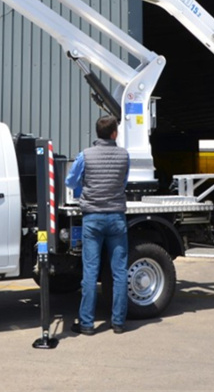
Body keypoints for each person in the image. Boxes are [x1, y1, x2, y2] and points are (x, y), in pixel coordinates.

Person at [65, 115, 130, 335]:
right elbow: (123, 181)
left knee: (90, 272)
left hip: (92, 218)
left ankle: (86, 324)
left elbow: (70, 181)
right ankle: (119, 322)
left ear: (97, 133)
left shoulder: (85, 155)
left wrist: (83, 188)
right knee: (120, 272)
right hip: (116, 218)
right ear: (114, 133)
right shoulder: (124, 155)